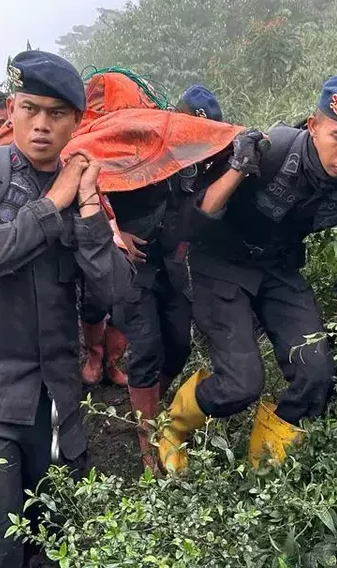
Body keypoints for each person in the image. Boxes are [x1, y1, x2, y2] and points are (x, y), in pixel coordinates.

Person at [0, 50, 132, 567]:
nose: (41, 125)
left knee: (54, 548)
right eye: (30, 109)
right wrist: (53, 202)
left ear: (76, 121)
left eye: (57, 114)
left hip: (56, 406)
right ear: (12, 110)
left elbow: (113, 290)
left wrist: (88, 207)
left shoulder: (86, 189)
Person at [158, 73, 337, 472]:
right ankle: (173, 428)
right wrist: (237, 167)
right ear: (315, 125)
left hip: (279, 267)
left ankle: (263, 468)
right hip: (220, 263)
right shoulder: (270, 150)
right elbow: (190, 226)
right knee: (240, 383)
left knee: (317, 375)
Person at [115, 84, 227, 470]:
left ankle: (151, 406)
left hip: (171, 263)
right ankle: (147, 441)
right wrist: (114, 231)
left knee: (178, 344)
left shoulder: (202, 162)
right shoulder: (134, 143)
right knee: (145, 347)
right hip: (133, 264)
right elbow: (90, 180)